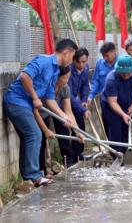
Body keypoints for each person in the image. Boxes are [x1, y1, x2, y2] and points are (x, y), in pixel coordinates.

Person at [3, 39, 78, 186]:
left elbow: (50, 99)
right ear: (66, 53)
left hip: (25, 104)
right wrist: (35, 97)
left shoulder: (55, 71)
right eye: (72, 56)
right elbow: (25, 76)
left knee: (28, 137)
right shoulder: (44, 61)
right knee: (35, 134)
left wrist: (64, 117)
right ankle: (34, 176)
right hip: (16, 101)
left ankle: (28, 177)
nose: (71, 61)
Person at [34, 66, 85, 169]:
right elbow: (35, 110)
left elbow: (68, 111)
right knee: (40, 140)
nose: (67, 81)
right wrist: (45, 129)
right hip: (36, 115)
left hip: (48, 114)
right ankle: (40, 171)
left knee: (58, 132)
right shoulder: (47, 87)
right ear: (57, 77)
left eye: (68, 77)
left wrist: (77, 132)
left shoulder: (65, 88)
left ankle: (65, 161)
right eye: (65, 78)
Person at [101, 54, 132, 155]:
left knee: (126, 127)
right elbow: (112, 102)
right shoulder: (111, 79)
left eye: (128, 73)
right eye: (122, 73)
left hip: (127, 102)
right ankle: (116, 156)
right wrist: (123, 114)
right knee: (115, 130)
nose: (125, 75)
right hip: (110, 106)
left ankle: (127, 155)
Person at [87, 42, 117, 136]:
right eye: (103, 56)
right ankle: (111, 146)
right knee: (107, 123)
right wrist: (91, 95)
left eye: (107, 55)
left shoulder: (120, 63)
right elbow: (95, 80)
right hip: (104, 99)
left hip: (118, 99)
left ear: (113, 52)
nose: (105, 58)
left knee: (118, 124)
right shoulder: (100, 63)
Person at [68, 48, 91, 159]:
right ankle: (69, 157)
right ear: (74, 60)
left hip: (77, 102)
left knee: (80, 127)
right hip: (66, 102)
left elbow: (85, 86)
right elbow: (69, 95)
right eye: (80, 62)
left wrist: (84, 101)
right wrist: (83, 110)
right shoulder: (69, 71)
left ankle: (79, 154)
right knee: (65, 130)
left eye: (84, 61)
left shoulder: (85, 69)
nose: (82, 65)